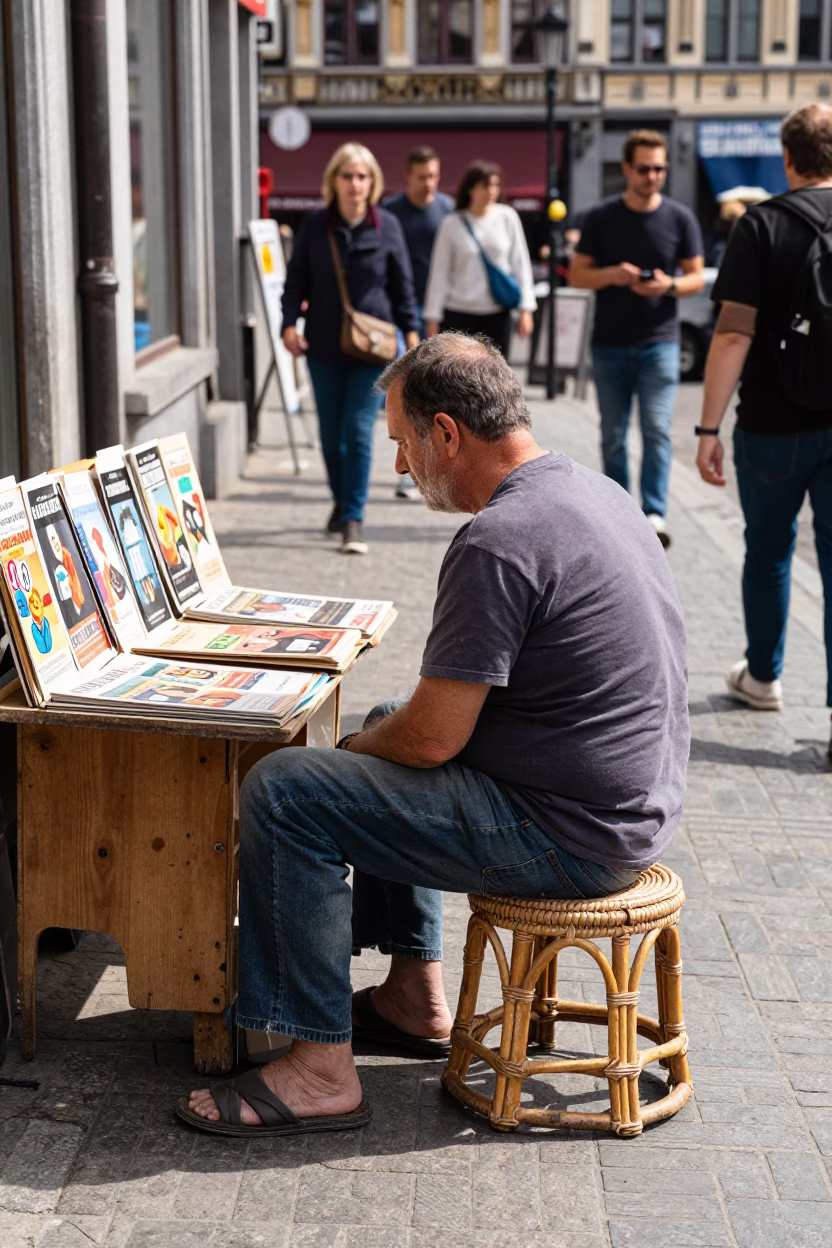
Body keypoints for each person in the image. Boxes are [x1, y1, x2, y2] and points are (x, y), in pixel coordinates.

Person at [179, 333, 689, 1138]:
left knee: (287, 792)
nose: (400, 469)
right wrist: (374, 747)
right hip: (625, 807)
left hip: (574, 835)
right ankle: (414, 996)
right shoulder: (594, 490)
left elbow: (431, 744)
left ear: (446, 433)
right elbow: (420, 729)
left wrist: (341, 761)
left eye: (404, 445)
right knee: (384, 721)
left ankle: (318, 1069)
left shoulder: (499, 538)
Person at [695, 103, 832, 763]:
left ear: (788, 157)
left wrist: (707, 426)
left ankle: (764, 677)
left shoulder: (761, 225)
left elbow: (731, 333)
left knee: (770, 552)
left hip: (774, 426)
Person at [282, 143, 420, 555]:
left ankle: (354, 518)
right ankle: (341, 500)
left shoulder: (387, 226)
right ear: (334, 181)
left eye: (362, 177)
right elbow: (295, 283)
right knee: (330, 435)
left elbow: (402, 286)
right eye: (348, 176)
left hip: (373, 349)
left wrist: (411, 333)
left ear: (372, 182)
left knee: (358, 431)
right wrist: (288, 324)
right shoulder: (314, 226)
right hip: (323, 343)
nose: (355, 184)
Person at [570, 130, 705, 549]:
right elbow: (576, 275)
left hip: (660, 341)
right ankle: (619, 508)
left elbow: (697, 278)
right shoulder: (601, 217)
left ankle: (654, 511)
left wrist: (668, 286)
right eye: (644, 169)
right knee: (613, 432)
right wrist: (614, 275)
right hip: (609, 342)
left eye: (660, 169)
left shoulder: (681, 218)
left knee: (657, 429)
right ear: (626, 169)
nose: (653, 176)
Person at [385, 145, 454, 500]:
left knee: (436, 393)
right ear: (408, 176)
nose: (429, 184)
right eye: (422, 177)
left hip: (438, 312)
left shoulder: (447, 210)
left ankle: (434, 467)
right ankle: (408, 468)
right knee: (408, 391)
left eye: (434, 176)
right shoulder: (391, 213)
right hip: (401, 313)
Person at [423, 161, 536, 358]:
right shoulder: (451, 223)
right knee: (457, 379)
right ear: (470, 188)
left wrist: (526, 309)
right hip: (458, 314)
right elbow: (439, 273)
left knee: (495, 380)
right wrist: (432, 317)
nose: (491, 191)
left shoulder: (507, 217)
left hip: (496, 313)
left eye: (495, 185)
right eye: (485, 185)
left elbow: (521, 264)